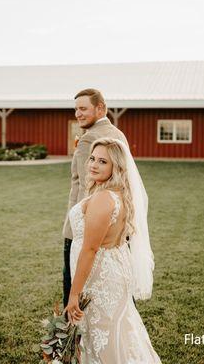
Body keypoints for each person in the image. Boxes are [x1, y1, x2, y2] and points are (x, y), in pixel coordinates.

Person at [64, 137, 162, 363]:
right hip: (114, 270)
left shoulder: (103, 199)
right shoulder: (119, 194)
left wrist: (74, 293)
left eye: (102, 162)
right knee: (118, 331)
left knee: (103, 337)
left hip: (100, 277)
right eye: (92, 159)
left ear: (116, 167)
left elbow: (89, 249)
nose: (93, 165)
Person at [63, 88, 128, 309]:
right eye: (75, 109)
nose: (77, 114)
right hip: (115, 228)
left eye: (83, 108)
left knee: (75, 294)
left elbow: (87, 189)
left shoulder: (89, 139)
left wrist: (79, 233)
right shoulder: (118, 135)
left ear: (100, 108)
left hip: (86, 230)